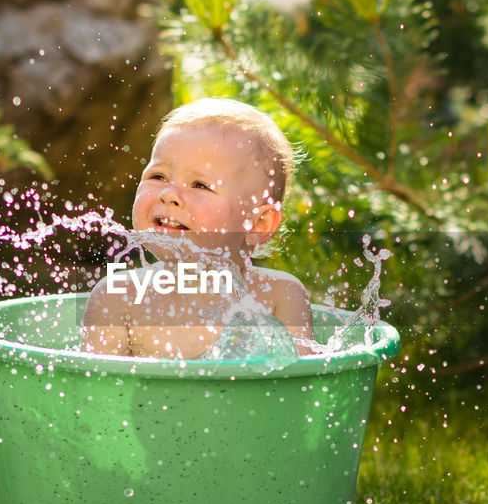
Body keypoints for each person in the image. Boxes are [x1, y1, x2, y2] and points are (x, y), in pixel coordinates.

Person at [79, 98, 314, 358]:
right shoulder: (118, 298)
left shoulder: (279, 298)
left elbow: (298, 389)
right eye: (158, 176)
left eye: (200, 185)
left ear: (259, 223)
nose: (169, 194)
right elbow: (96, 395)